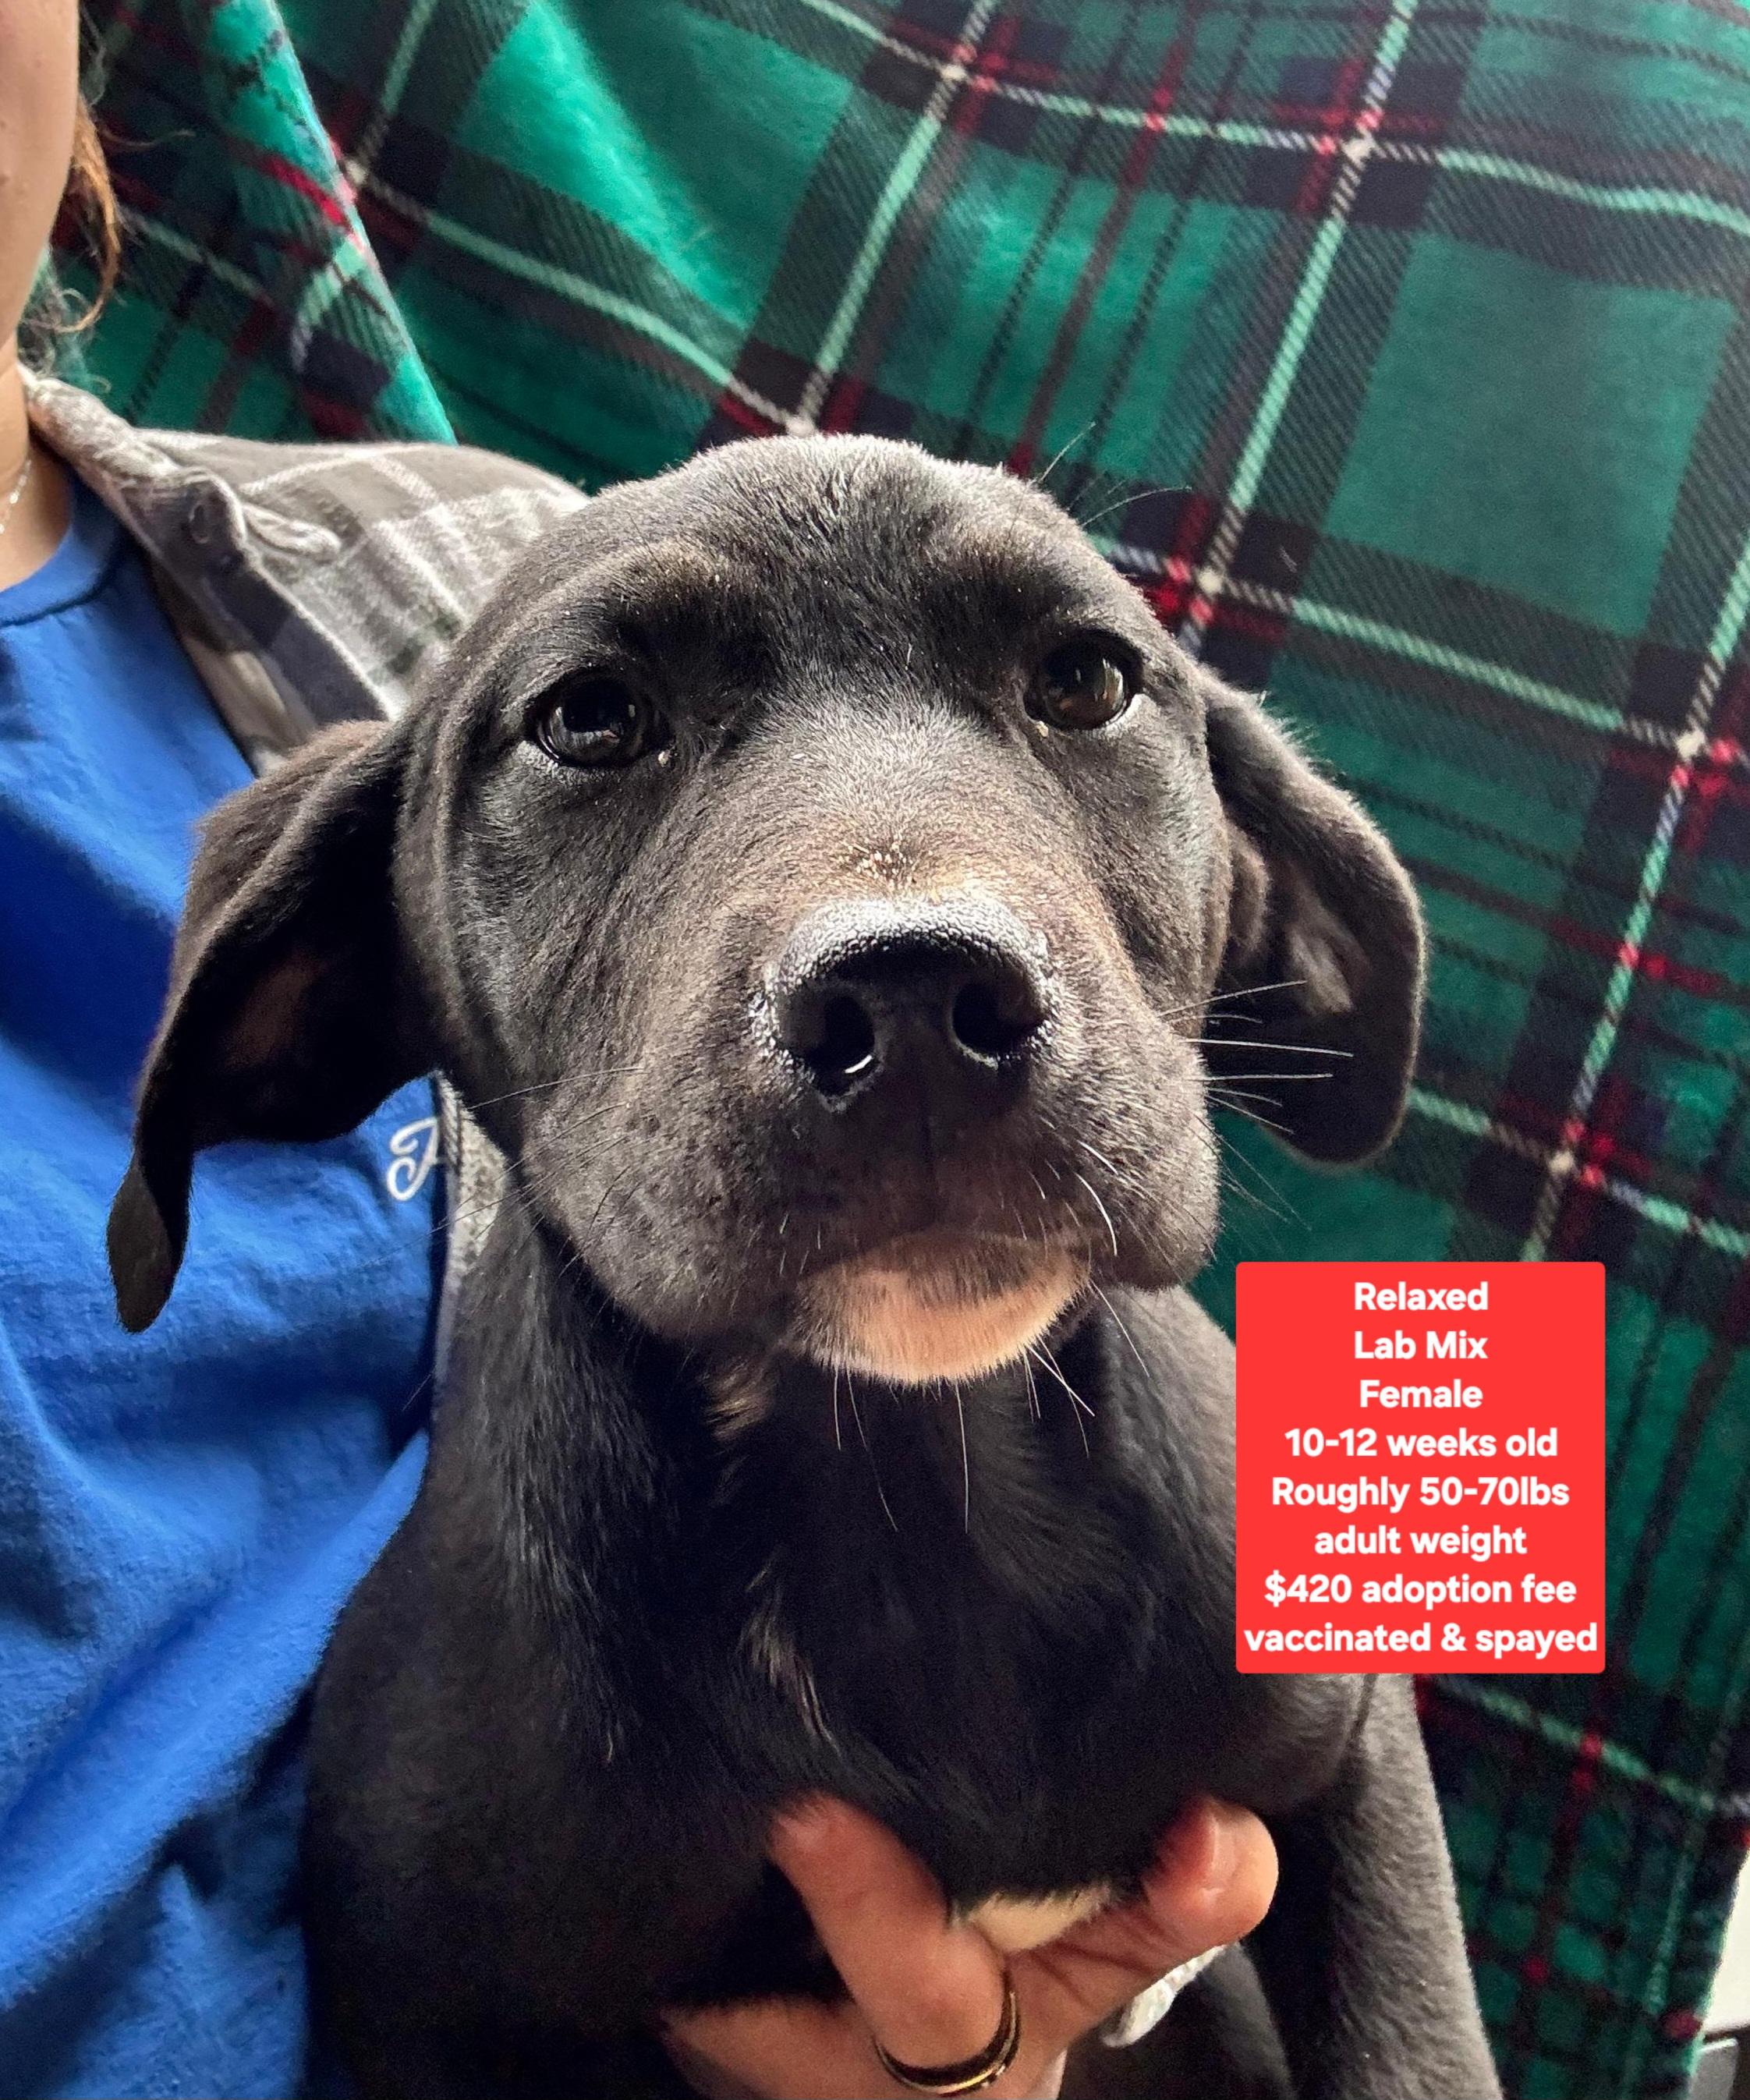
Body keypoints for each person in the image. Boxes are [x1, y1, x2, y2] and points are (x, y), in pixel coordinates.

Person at [0, 5, 1277, 2095]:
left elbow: (1399, 1586)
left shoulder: (479, 563)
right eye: (598, 728)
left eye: (1073, 687)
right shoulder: (427, 791)